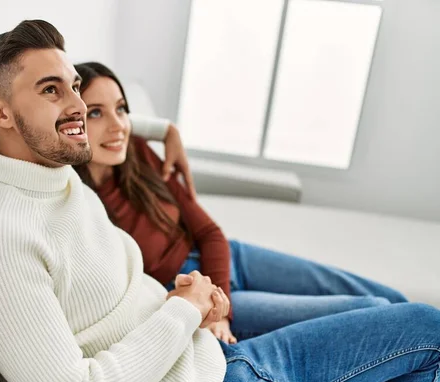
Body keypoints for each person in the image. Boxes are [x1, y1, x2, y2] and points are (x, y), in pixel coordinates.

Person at [0, 19, 440, 382]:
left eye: (75, 86)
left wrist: (188, 302)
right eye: (51, 90)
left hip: (214, 359)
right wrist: (183, 310)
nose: (78, 105)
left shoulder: (57, 174)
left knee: (422, 323)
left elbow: (126, 289)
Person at [72, 62, 408, 345]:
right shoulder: (78, 204)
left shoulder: (136, 152)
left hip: (229, 255)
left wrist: (167, 130)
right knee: (371, 308)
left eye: (121, 109)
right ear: (72, 122)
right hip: (197, 289)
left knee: (390, 299)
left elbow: (209, 232)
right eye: (97, 113)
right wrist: (220, 312)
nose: (118, 126)